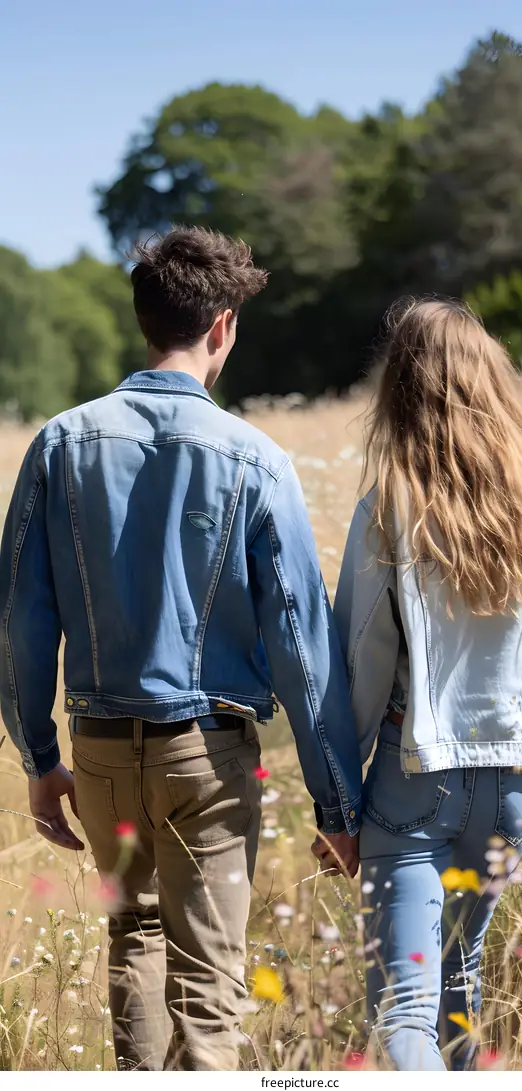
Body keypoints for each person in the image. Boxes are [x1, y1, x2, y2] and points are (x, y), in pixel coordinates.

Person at [0, 227, 361, 1071]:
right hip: (207, 754)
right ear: (224, 327)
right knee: (209, 985)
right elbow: (302, 645)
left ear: (142, 320)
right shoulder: (255, 458)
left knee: (135, 945)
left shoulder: (59, 443)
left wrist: (38, 756)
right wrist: (336, 802)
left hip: (97, 753)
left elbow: (18, 616)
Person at [333, 298, 522, 1071]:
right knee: (461, 977)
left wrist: (340, 796)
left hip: (415, 773)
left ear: (402, 390)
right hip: (519, 776)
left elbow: (364, 655)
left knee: (407, 1003)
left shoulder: (390, 501)